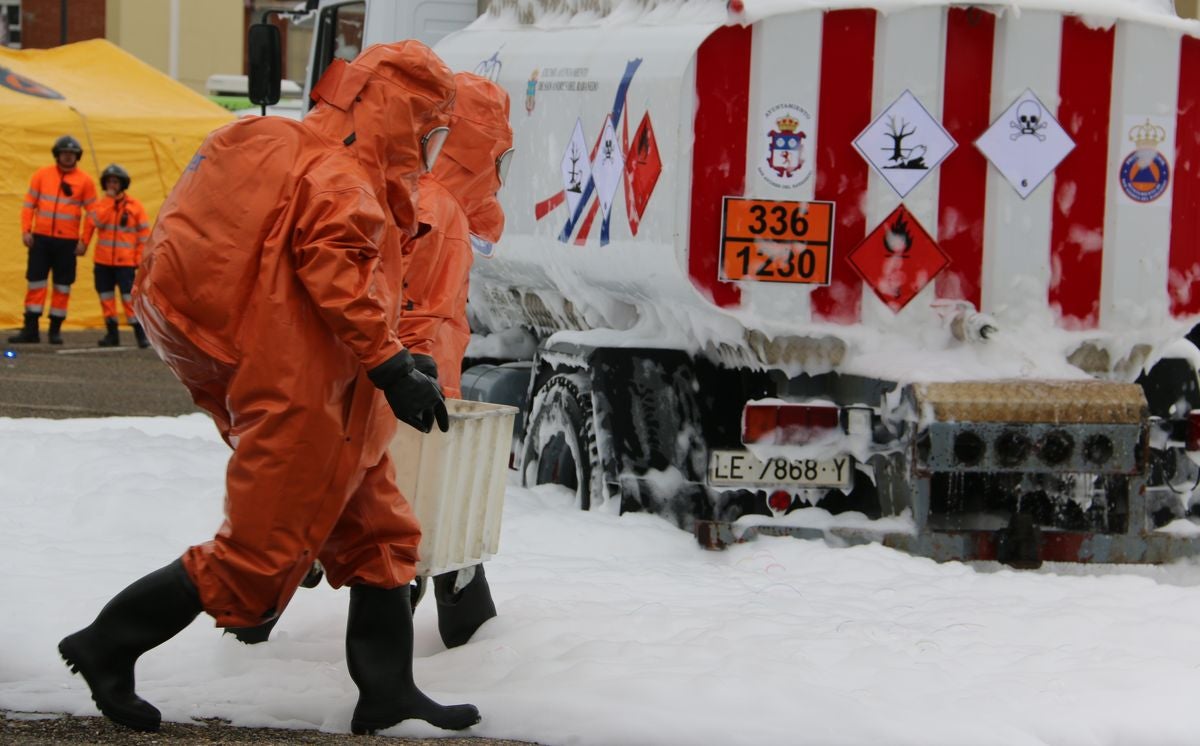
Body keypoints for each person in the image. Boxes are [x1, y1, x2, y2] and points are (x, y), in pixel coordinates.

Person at [57, 42, 479, 736]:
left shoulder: (340, 168)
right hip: (303, 399)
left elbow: (353, 291)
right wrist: (393, 366)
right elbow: (335, 279)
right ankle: (105, 646)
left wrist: (398, 359)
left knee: (381, 539)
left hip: (340, 397)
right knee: (255, 558)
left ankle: (388, 691)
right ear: (398, 115)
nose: (431, 146)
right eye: (428, 127)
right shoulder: (343, 176)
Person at [400, 72, 514, 649]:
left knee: (417, 524)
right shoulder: (438, 210)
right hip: (416, 388)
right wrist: (417, 380)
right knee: (419, 525)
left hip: (411, 382)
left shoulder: (422, 194)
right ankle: (459, 648)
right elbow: (418, 311)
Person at [9, 135, 97, 344]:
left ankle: (55, 330)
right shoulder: (42, 175)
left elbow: (92, 214)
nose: (68, 157)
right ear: (57, 154)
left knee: (62, 286)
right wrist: (26, 231)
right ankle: (30, 329)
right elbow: (29, 205)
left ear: (77, 157)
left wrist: (84, 241)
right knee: (36, 283)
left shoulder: (85, 181)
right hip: (41, 240)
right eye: (64, 153)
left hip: (67, 242)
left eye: (72, 154)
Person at [81, 164, 152, 348]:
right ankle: (111, 334)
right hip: (103, 262)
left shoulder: (135, 207)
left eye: (116, 181)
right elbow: (95, 221)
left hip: (125, 263)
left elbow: (144, 236)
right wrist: (109, 202)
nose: (112, 185)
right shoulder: (100, 205)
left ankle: (140, 334)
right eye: (109, 181)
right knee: (106, 298)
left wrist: (138, 260)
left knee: (129, 300)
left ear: (122, 184)